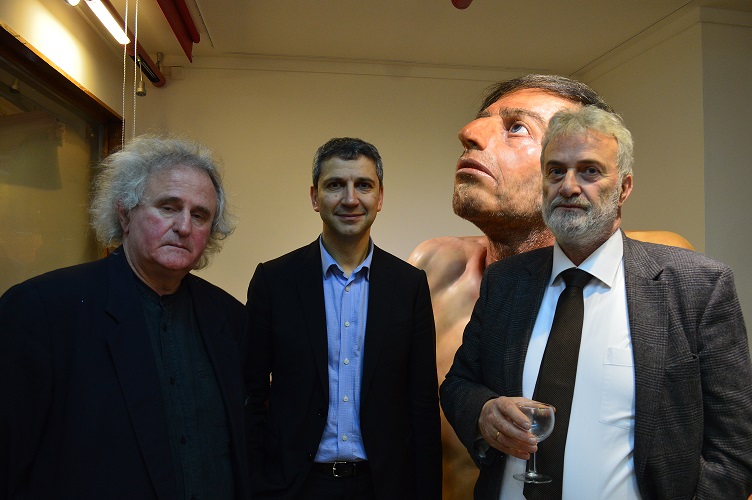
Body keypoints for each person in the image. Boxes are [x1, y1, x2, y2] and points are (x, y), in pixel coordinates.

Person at [440, 105, 752, 499]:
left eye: (589, 171)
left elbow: (733, 450)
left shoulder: (697, 286)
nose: (569, 187)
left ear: (624, 187)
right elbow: (458, 384)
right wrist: (482, 412)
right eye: (555, 171)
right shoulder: (506, 282)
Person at [407, 74, 694, 499]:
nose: (468, 132)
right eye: (482, 120)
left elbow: (723, 435)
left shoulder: (659, 273)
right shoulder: (435, 269)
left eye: (517, 127)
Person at [0, 134, 250, 499]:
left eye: (199, 215)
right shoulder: (43, 309)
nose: (184, 226)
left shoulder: (230, 318)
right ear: (124, 212)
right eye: (168, 207)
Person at [245, 137, 442, 500]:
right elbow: (251, 396)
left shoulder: (408, 285)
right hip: (295, 487)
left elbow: (423, 404)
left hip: (383, 486)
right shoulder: (274, 282)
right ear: (314, 197)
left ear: (380, 197)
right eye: (335, 185)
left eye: (363, 185)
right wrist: (255, 484)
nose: (350, 199)